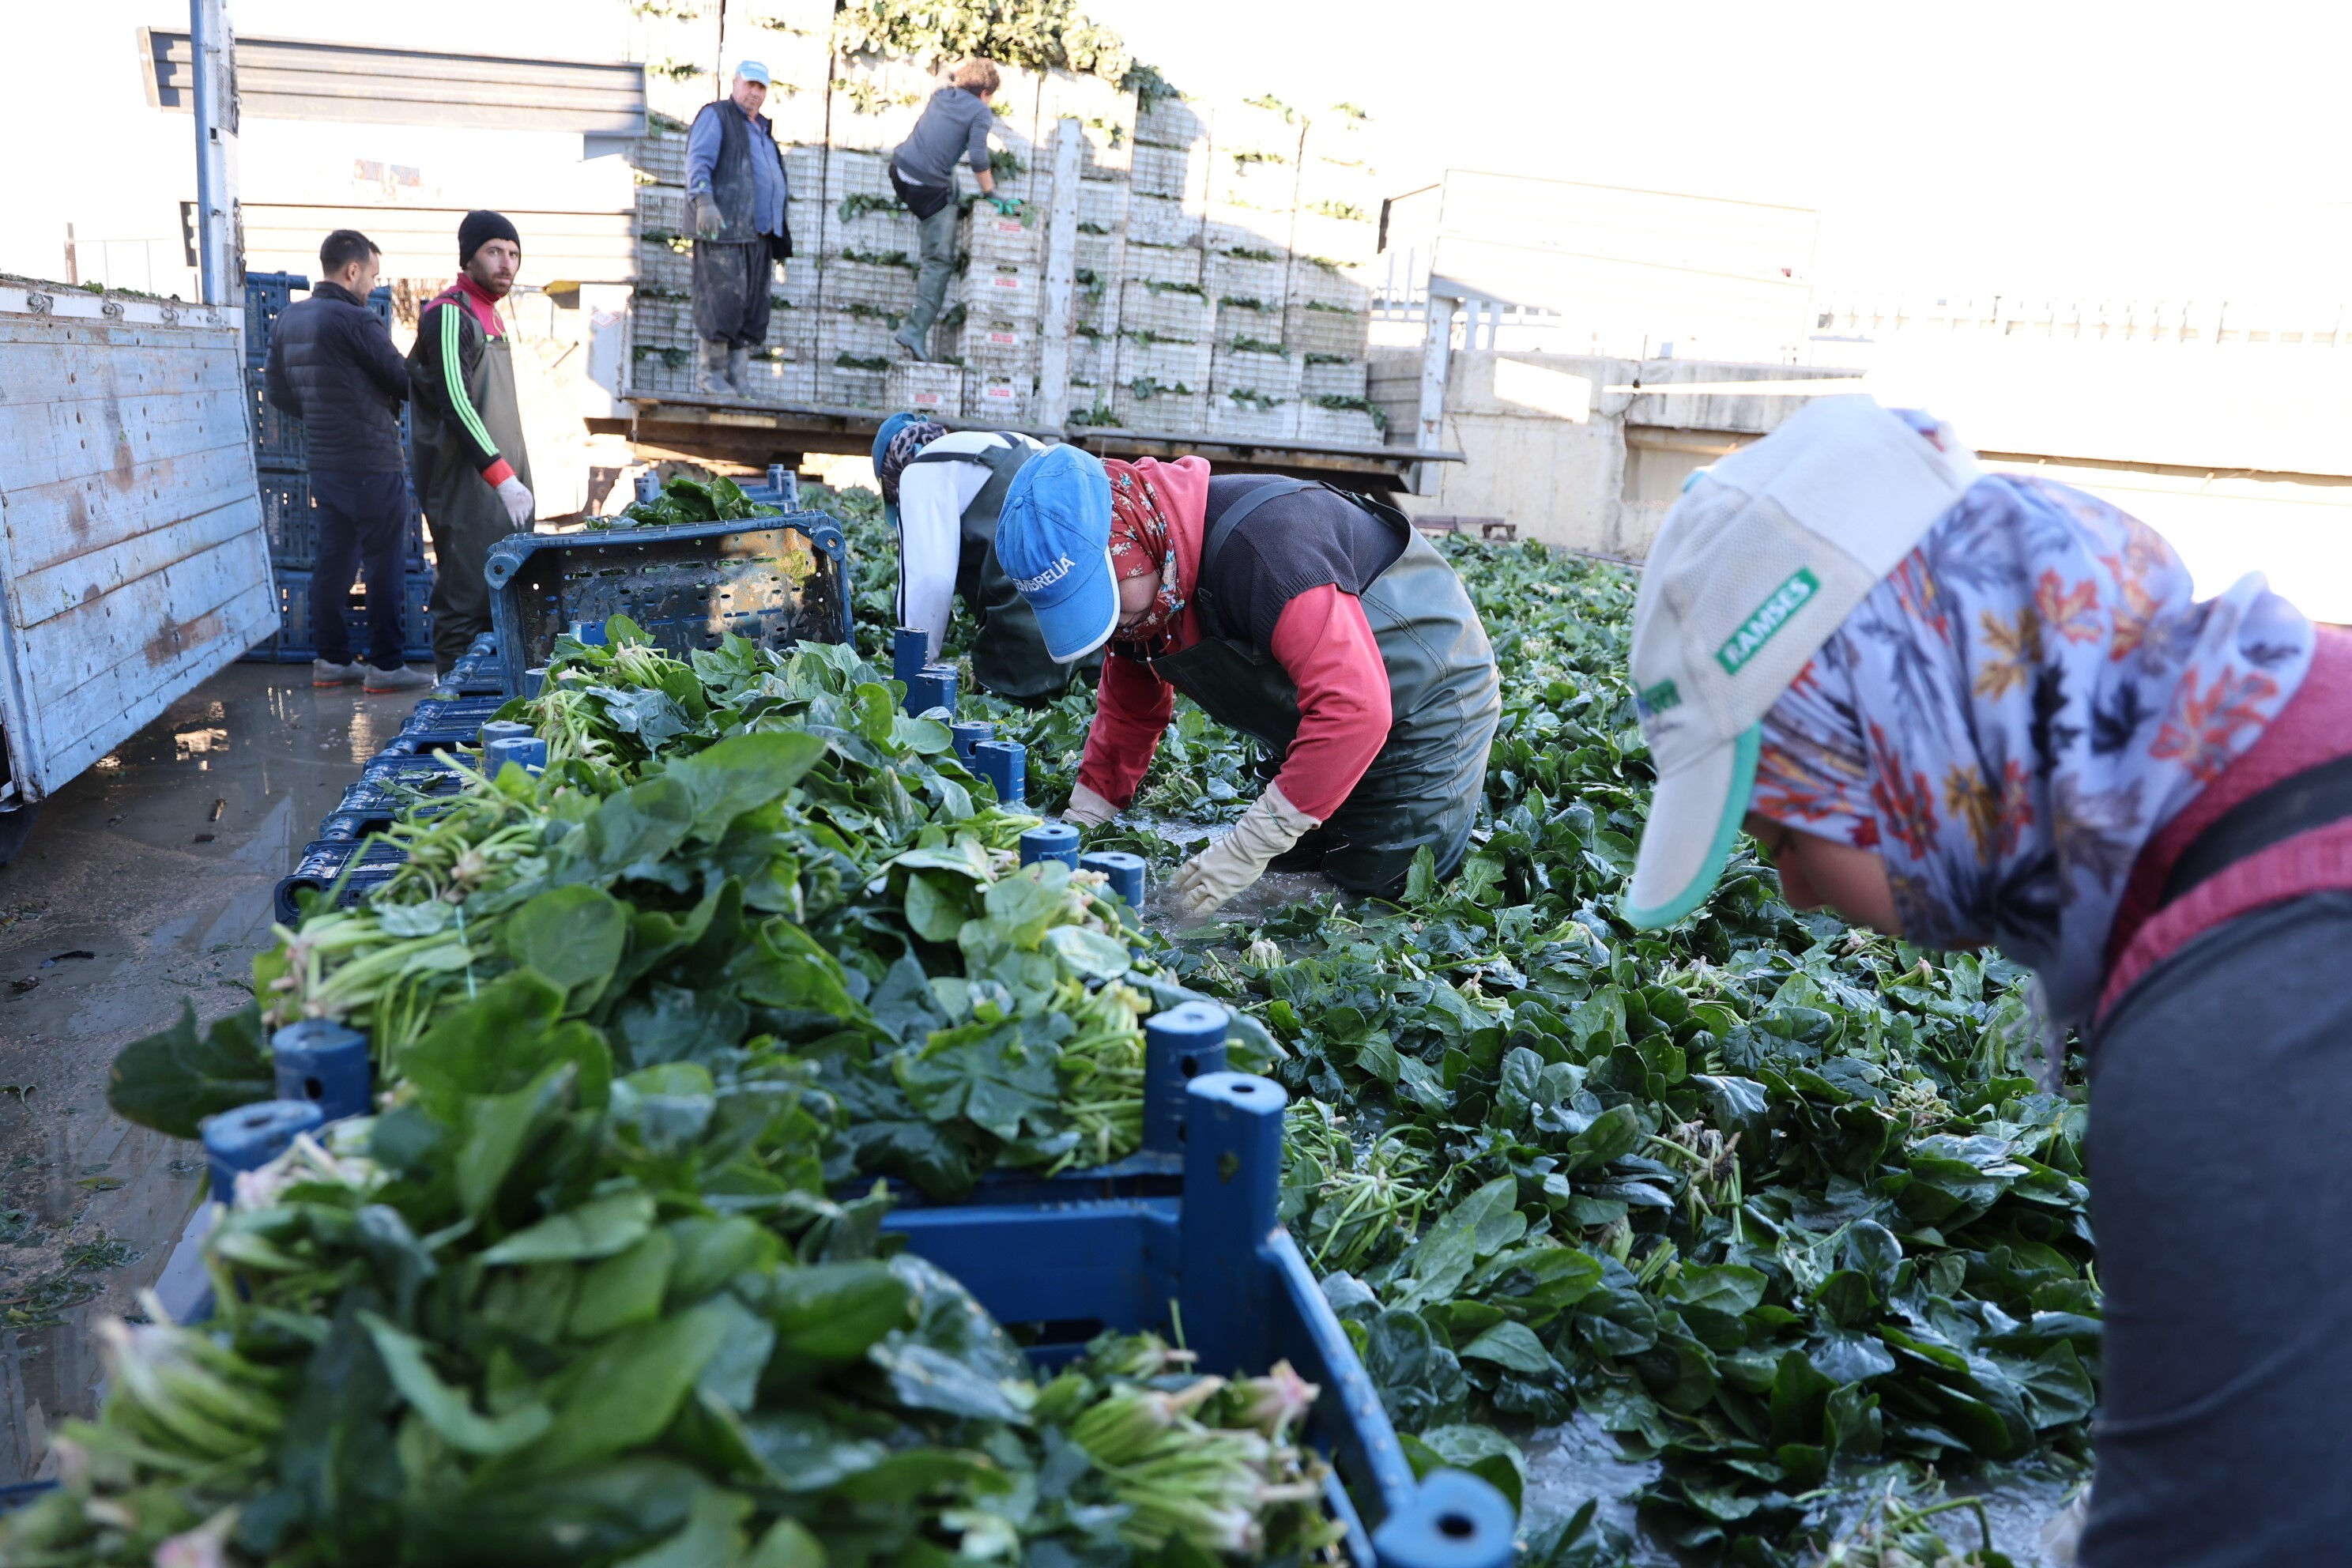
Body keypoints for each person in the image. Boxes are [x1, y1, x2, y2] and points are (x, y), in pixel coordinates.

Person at [1618, 394, 2352, 1567]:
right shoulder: (2301, 709)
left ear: (1908, 734)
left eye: (1781, 835)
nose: (1796, 895)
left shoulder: (2240, 1022)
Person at [990, 445, 1502, 914]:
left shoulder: (1266, 549)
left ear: (1132, 539)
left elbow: (1357, 711)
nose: (1115, 626)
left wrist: (1248, 844)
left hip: (1426, 708)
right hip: (1313, 722)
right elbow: (1130, 710)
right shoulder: (1146, 594)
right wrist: (1084, 817)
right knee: (1277, 890)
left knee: (1357, 906)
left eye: (1108, 601)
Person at [261, 229, 429, 692]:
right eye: (372, 275)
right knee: (383, 563)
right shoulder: (357, 321)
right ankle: (387, 667)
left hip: (325, 462)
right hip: (372, 461)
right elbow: (402, 380)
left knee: (333, 561)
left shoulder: (288, 319)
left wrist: (320, 411)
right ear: (352, 271)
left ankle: (332, 660)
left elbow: (276, 391)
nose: (373, 285)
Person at [873, 413, 1091, 699]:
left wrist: (917, 669)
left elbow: (929, 581)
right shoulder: (1002, 446)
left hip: (1028, 666)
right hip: (1095, 645)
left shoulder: (921, 468)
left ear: (891, 473)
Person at [408, 210, 533, 673]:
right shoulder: (448, 314)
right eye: (494, 251)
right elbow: (457, 404)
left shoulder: (493, 318)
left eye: (514, 254)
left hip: (502, 488)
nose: (506, 263)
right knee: (465, 603)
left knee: (500, 598)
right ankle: (453, 715)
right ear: (469, 257)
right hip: (466, 487)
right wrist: (503, 478)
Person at [888, 57, 1016, 362]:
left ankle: (950, 210)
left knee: (951, 182)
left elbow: (947, 69)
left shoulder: (943, 91)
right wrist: (992, 194)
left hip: (899, 171)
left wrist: (970, 63)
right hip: (927, 189)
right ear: (986, 93)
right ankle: (914, 331)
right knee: (939, 260)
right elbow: (978, 157)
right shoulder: (981, 112)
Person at [686, 62, 793, 398]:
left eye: (761, 88)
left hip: (759, 235)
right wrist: (703, 200)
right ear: (735, 83)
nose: (755, 93)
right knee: (721, 302)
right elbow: (698, 159)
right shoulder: (717, 117)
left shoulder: (761, 130)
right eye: (750, 85)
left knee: (751, 308)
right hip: (724, 229)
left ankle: (738, 380)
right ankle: (711, 376)